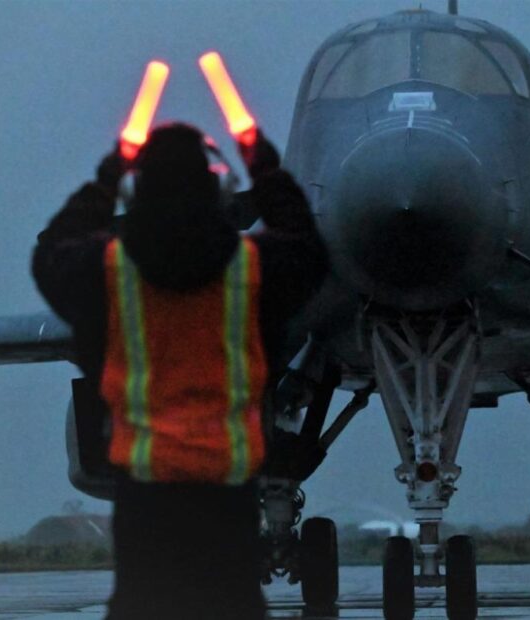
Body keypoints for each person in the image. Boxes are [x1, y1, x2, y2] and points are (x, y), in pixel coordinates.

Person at [32, 122, 328, 619]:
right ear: (221, 189)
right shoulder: (255, 270)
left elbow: (50, 253)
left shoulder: (107, 273)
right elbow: (307, 247)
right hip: (227, 509)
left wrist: (106, 184)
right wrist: (265, 168)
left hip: (146, 509)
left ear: (135, 189)